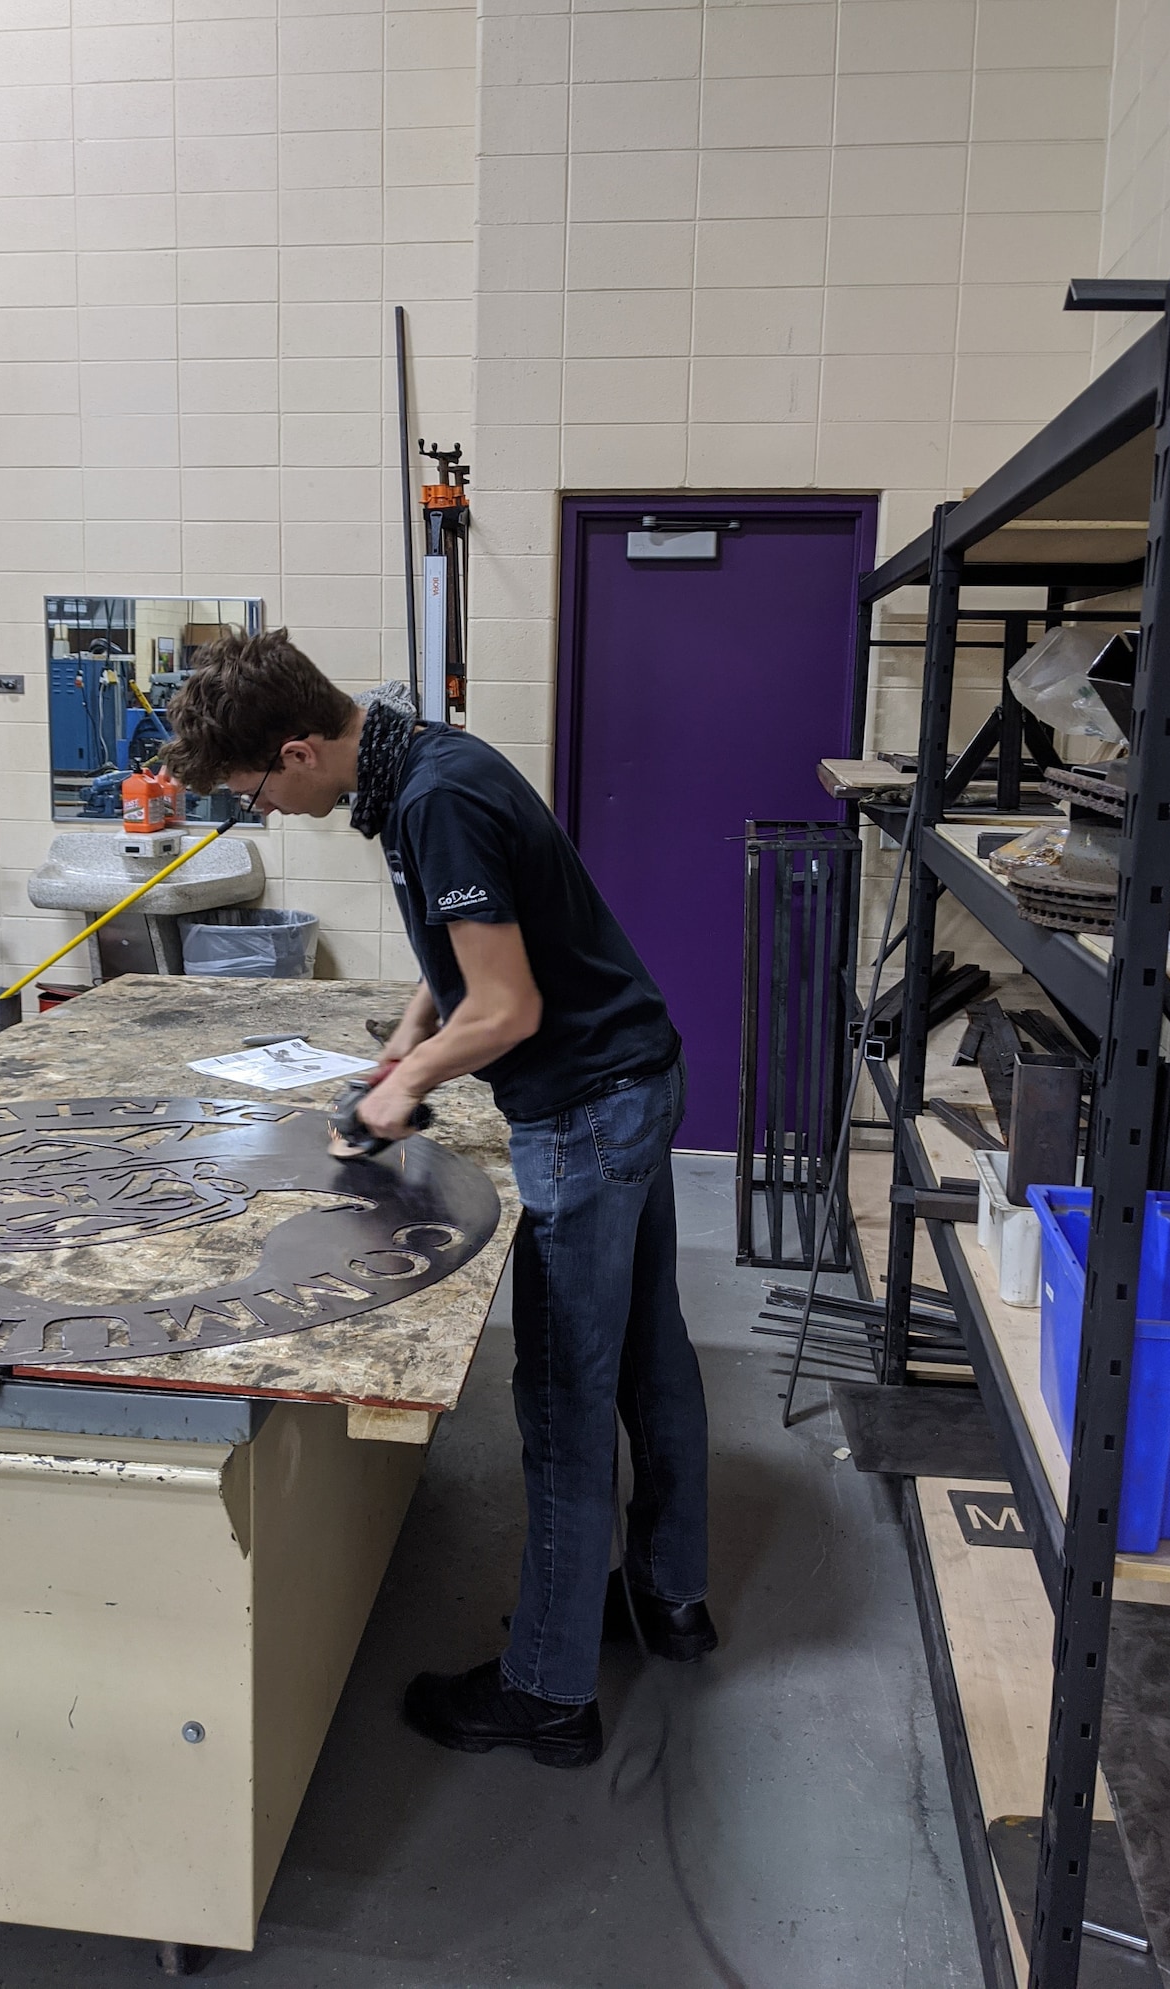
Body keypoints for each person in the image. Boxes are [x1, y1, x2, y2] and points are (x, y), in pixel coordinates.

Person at [164, 631, 713, 1769]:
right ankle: (671, 1597)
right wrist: (407, 1041)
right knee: (649, 1354)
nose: (269, 811)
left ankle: (549, 1691)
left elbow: (506, 1008)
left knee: (563, 1395)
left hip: (586, 1108)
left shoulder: (433, 800)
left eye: (257, 791)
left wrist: (400, 1091)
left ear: (299, 750)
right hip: (636, 1075)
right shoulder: (425, 762)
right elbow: (467, 950)